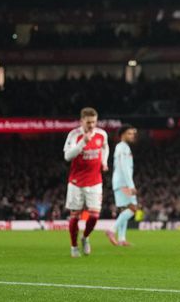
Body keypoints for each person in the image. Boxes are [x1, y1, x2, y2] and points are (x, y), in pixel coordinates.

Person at [63, 107, 109, 257]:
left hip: (95, 181)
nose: (91, 125)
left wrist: (104, 161)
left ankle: (85, 237)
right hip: (76, 182)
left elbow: (105, 147)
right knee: (75, 217)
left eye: (94, 122)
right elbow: (68, 156)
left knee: (94, 216)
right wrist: (83, 142)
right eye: (88, 122)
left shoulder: (102, 134)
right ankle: (74, 246)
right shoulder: (74, 135)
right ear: (81, 121)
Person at [106, 124, 138, 247]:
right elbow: (124, 167)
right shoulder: (123, 147)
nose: (132, 136)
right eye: (129, 133)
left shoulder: (121, 147)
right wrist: (131, 185)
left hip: (119, 182)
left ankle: (122, 239)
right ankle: (112, 230)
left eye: (133, 134)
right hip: (124, 183)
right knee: (133, 209)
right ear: (123, 135)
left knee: (125, 210)